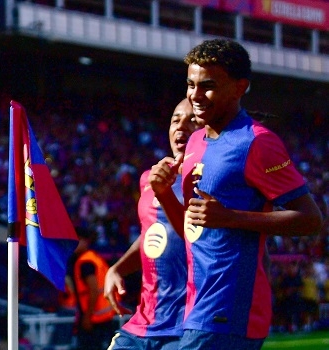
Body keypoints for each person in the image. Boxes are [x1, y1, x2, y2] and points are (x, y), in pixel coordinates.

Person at [149, 38, 322, 349]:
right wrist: (163, 194)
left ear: (240, 87)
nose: (195, 95)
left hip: (229, 310)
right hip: (195, 306)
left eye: (208, 85)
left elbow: (311, 220)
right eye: (191, 84)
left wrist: (230, 217)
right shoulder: (196, 141)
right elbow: (192, 230)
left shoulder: (257, 142)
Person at [104, 98, 200, 350]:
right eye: (175, 120)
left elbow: (196, 237)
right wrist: (117, 268)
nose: (181, 127)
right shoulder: (150, 177)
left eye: (192, 120)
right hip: (143, 322)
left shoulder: (208, 177)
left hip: (187, 327)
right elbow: (153, 233)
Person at [66, 227, 117, 350]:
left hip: (94, 318)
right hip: (104, 315)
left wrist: (87, 317)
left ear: (85, 241)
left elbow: (93, 290)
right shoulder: (94, 257)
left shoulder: (85, 263)